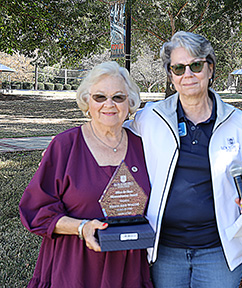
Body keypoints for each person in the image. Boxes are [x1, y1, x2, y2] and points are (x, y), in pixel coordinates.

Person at [124, 31, 242, 288]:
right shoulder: (150, 117)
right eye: (178, 68)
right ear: (170, 75)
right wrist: (69, 146)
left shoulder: (239, 122)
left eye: (196, 66)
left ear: (210, 69)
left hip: (219, 251)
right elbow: (109, 135)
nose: (187, 75)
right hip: (165, 249)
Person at [19, 61, 153, 288]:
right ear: (87, 101)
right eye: (100, 97)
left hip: (127, 268)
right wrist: (81, 227)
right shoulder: (65, 146)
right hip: (75, 265)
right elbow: (36, 209)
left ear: (129, 103)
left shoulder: (144, 148)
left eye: (118, 97)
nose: (109, 104)